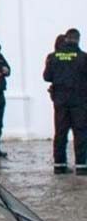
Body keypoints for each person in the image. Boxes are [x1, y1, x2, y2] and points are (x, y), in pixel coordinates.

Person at [43, 31, 87, 175]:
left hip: (60, 101)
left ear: (66, 39)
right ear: (78, 40)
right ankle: (81, 166)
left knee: (60, 133)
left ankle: (59, 165)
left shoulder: (53, 57)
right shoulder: (83, 58)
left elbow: (47, 77)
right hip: (79, 101)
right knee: (80, 133)